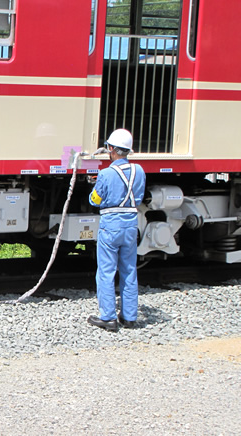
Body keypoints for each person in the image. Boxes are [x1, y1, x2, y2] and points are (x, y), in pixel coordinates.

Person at [87, 129, 146, 332]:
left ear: (111, 149)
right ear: (129, 150)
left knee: (106, 271)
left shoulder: (105, 174)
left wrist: (95, 187)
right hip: (131, 223)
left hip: (111, 224)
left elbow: (94, 200)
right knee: (129, 269)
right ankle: (129, 317)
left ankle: (108, 317)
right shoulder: (140, 171)